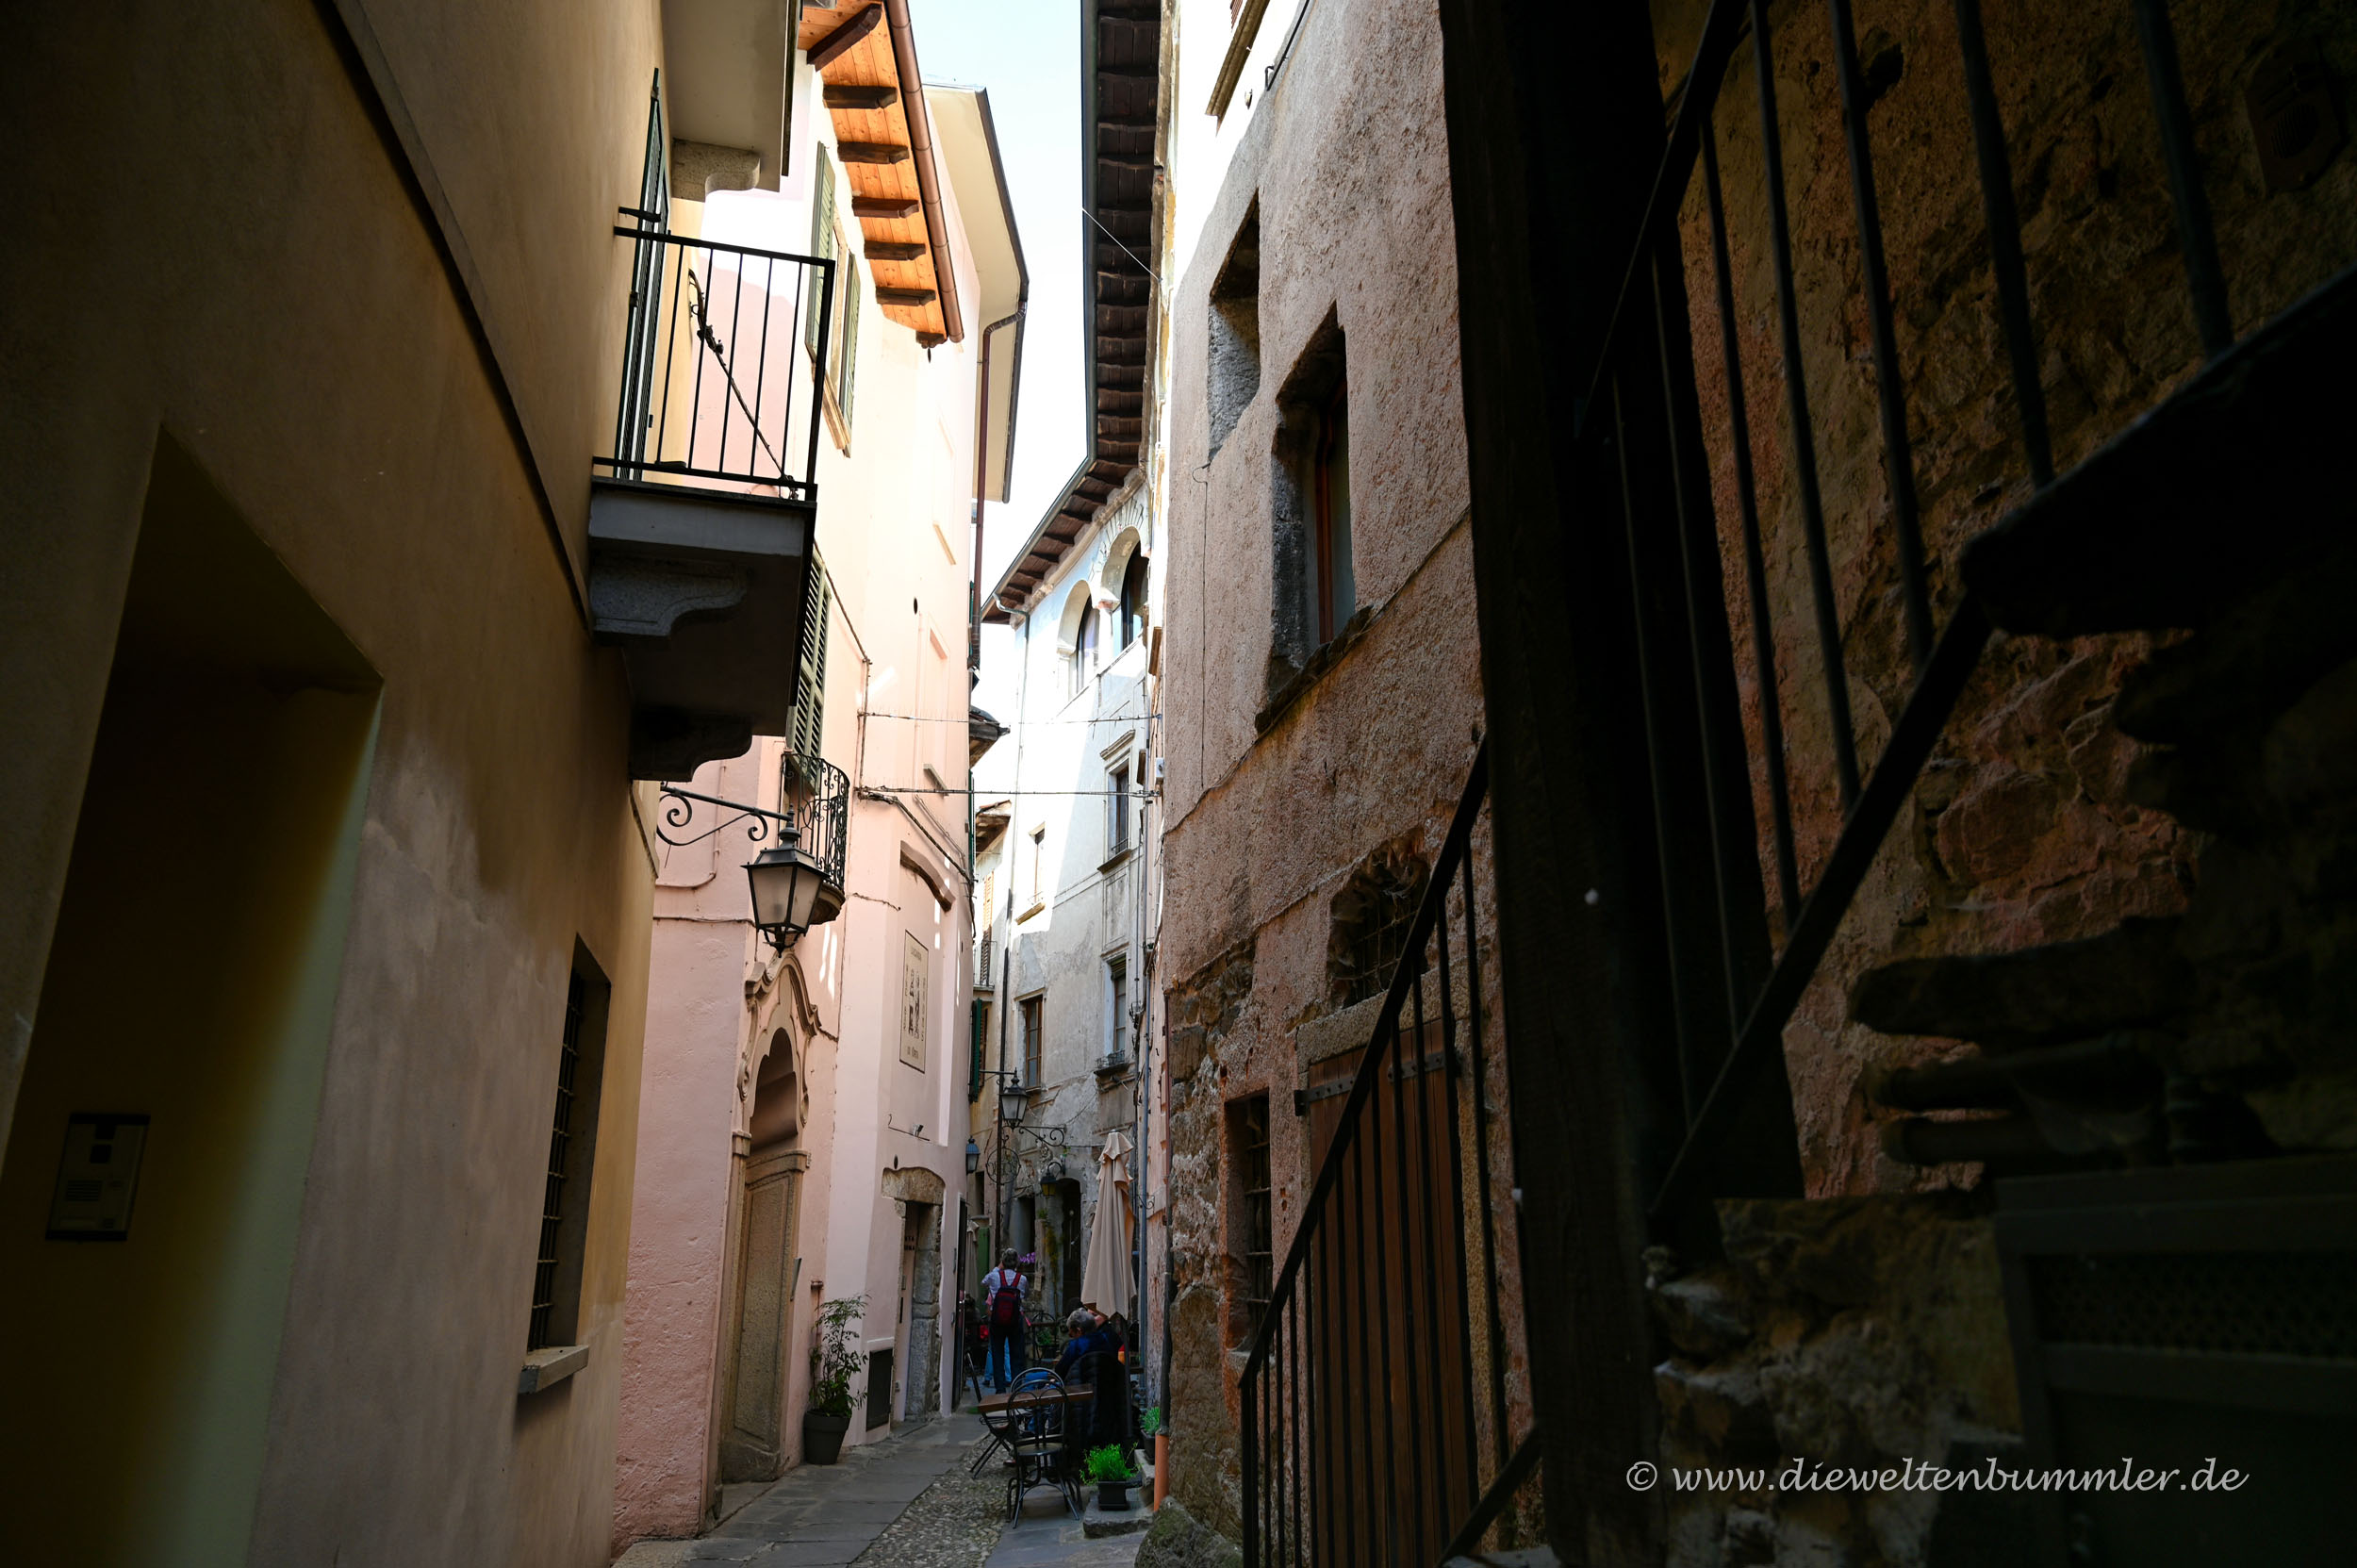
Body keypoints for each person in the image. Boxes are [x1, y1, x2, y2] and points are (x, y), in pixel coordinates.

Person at [981, 1249, 1028, 1393]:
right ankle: (1017, 1388)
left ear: (1003, 1261)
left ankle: (1000, 1389)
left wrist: (998, 1268)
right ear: (1017, 1263)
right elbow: (1025, 1295)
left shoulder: (994, 1276)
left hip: (997, 1320)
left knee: (998, 1353)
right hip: (1015, 1320)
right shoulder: (1022, 1279)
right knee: (1016, 1354)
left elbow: (983, 1282)